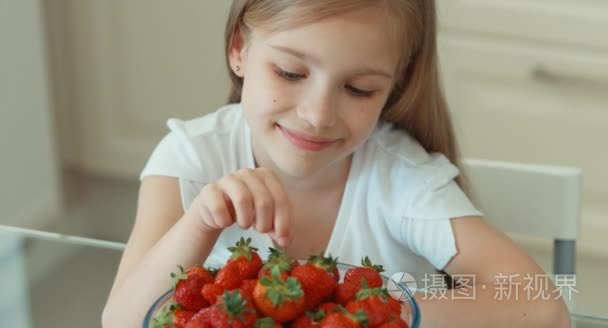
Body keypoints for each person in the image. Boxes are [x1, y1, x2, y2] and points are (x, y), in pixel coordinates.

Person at [102, 1, 570, 326]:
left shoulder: (402, 180)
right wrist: (200, 223)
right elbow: (120, 320)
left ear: (393, 89)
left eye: (358, 88)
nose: (317, 114)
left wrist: (346, 314)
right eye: (290, 73)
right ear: (239, 50)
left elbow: (543, 308)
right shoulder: (193, 156)